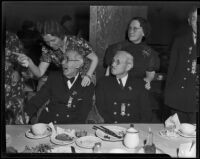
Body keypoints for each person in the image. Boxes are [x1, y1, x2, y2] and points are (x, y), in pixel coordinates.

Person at [16, 20, 98, 87]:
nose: (51, 45)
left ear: (61, 35)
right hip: (68, 78)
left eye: (53, 40)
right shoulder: (47, 49)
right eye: (47, 42)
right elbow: (40, 73)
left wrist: (88, 75)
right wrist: (30, 62)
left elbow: (95, 58)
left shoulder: (76, 42)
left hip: (86, 76)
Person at [24, 49, 94, 124]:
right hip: (49, 123)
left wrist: (70, 131)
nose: (63, 62)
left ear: (78, 64)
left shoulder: (87, 86)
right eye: (63, 59)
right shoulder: (54, 78)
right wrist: (26, 114)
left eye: (67, 59)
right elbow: (39, 98)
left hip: (71, 125)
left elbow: (82, 114)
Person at [96, 50, 153, 123]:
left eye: (118, 62)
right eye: (113, 61)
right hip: (111, 127)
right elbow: (100, 110)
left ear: (128, 66)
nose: (113, 64)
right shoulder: (103, 83)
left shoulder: (140, 84)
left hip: (133, 128)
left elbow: (146, 113)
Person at [104, 17, 160, 90]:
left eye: (135, 28)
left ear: (144, 32)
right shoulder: (117, 47)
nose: (131, 31)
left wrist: (147, 81)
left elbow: (150, 73)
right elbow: (108, 71)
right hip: (116, 87)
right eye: (130, 28)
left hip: (137, 89)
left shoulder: (150, 53)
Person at [164, 7, 198, 123]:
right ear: (189, 21)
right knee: (177, 135)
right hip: (179, 99)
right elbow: (172, 69)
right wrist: (168, 96)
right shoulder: (180, 41)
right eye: (194, 19)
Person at [5, 31, 29, 124]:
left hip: (11, 79)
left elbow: (21, 57)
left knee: (15, 109)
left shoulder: (11, 37)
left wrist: (17, 70)